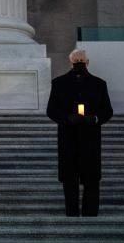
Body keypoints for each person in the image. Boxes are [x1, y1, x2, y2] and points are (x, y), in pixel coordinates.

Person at [46, 49, 113, 217]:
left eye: (81, 60)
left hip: (87, 140)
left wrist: (93, 119)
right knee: (74, 181)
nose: (80, 63)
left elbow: (107, 110)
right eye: (79, 60)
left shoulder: (98, 84)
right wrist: (70, 118)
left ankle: (81, 216)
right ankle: (79, 216)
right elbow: (52, 110)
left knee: (86, 181)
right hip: (72, 140)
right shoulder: (60, 83)